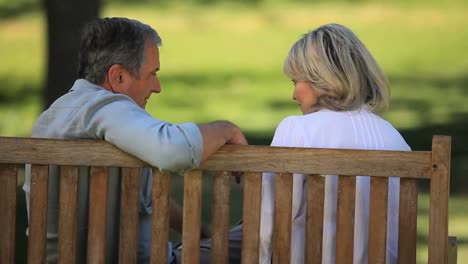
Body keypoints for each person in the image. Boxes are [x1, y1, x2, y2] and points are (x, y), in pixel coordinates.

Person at [22, 17, 247, 264]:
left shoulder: (56, 114)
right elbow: (174, 150)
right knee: (256, 234)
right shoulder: (103, 107)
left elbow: (137, 196)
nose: (157, 87)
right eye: (152, 74)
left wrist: (197, 231)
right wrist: (227, 129)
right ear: (117, 77)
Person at [258, 23, 410, 264]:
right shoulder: (395, 140)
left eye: (296, 81)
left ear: (321, 79)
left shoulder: (297, 131)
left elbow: (270, 223)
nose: (294, 95)